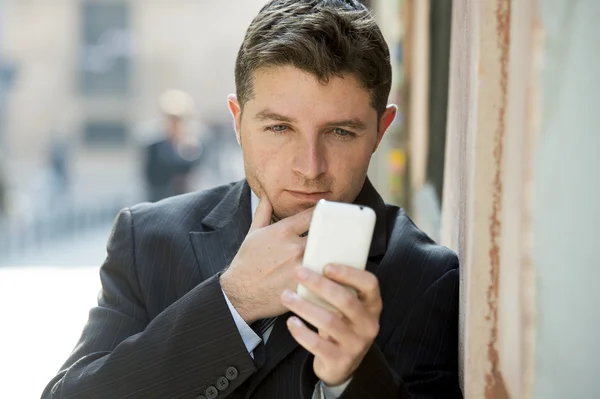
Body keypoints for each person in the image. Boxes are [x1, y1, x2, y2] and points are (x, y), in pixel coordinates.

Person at [42, 1, 461, 398]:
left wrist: (351, 380)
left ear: (381, 129)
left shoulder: (427, 276)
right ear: (238, 122)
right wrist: (232, 301)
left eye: (340, 132)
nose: (309, 167)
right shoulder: (147, 239)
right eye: (280, 128)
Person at [144, 89, 203, 202]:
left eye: (179, 120)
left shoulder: (196, 146)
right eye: (171, 119)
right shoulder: (154, 147)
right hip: (162, 202)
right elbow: (153, 179)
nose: (175, 124)